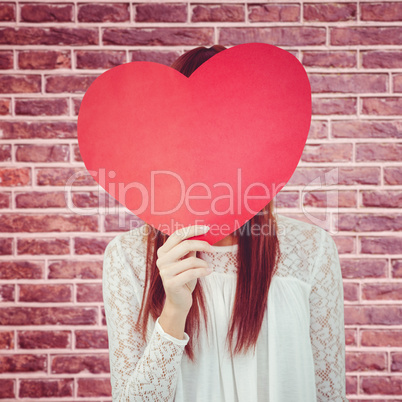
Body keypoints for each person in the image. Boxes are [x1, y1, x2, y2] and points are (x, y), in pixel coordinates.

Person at [102, 45, 348, 401]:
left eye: (227, 133)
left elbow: (330, 393)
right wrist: (173, 310)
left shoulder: (312, 250)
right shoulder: (127, 258)